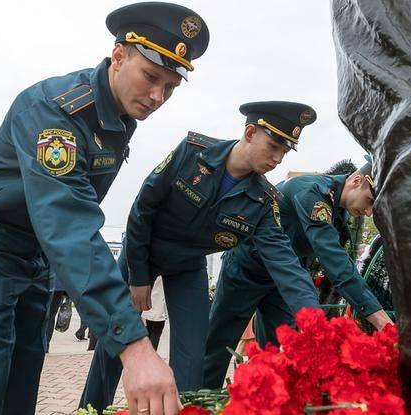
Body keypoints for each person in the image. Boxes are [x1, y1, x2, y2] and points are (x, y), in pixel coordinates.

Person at [0, 3, 210, 414]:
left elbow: (69, 222)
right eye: (151, 77)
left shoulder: (118, 118)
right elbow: (69, 222)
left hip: (38, 250)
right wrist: (134, 347)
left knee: (22, 380)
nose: (158, 96)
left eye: (170, 87)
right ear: (119, 56)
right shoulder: (57, 109)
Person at [82, 101, 323, 409]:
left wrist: (315, 320)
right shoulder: (192, 153)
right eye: (273, 146)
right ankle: (91, 408)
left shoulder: (263, 201)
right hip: (142, 251)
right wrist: (139, 276)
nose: (277, 159)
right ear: (249, 132)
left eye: (284, 153)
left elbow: (286, 263)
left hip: (187, 266)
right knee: (115, 342)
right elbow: (143, 209)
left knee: (193, 357)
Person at [202, 159, 393, 389]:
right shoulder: (312, 192)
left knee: (278, 352)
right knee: (217, 348)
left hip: (283, 283)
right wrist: (382, 321)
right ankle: (198, 404)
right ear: (356, 180)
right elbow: (337, 264)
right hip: (247, 271)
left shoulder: (338, 211)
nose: (369, 212)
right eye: (370, 201)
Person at [142, 277, 167, 351]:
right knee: (154, 334)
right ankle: (149, 357)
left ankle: (148, 356)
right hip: (156, 307)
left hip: (149, 305)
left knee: (149, 334)